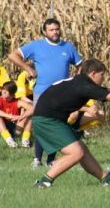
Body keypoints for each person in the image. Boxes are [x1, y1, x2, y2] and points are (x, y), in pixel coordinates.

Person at [29, 59, 110, 187]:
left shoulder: (81, 82)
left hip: (51, 118)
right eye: (102, 75)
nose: (103, 79)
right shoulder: (85, 86)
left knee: (82, 151)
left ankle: (106, 179)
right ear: (93, 74)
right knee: (76, 153)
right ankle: (44, 181)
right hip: (47, 120)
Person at [8, 18, 82, 167]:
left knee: (56, 124)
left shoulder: (68, 47)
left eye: (57, 29)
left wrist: (75, 81)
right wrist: (28, 69)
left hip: (62, 93)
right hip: (42, 92)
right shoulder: (36, 46)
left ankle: (50, 160)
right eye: (51, 30)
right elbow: (13, 55)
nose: (55, 32)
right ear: (44, 32)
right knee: (42, 124)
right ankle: (37, 159)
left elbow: (80, 65)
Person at [0, 81, 33, 147]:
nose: (3, 91)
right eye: (3, 89)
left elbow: (33, 108)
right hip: (3, 128)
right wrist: (11, 116)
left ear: (12, 94)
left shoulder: (18, 102)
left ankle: (25, 140)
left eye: (6, 90)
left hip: (16, 128)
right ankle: (9, 140)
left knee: (29, 116)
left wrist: (21, 116)